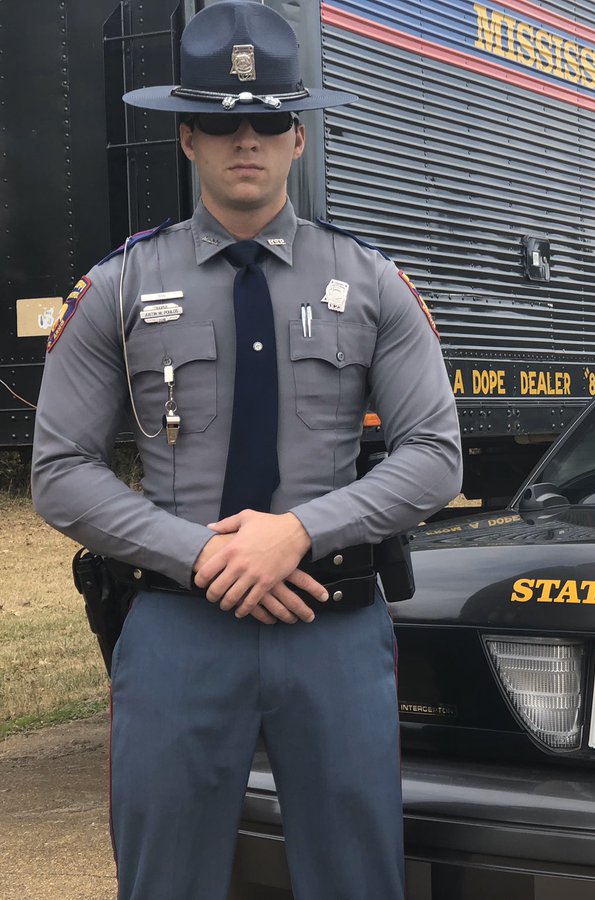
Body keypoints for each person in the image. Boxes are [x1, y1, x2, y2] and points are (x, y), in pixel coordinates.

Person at [30, 2, 462, 898]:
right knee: (166, 880)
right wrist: (204, 554)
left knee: (356, 877)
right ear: (187, 135)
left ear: (299, 136)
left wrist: (295, 533)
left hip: (330, 627)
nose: (247, 140)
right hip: (179, 629)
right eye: (223, 121)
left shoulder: (370, 281)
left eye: (269, 119)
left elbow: (434, 455)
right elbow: (60, 470)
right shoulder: (119, 286)